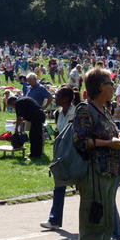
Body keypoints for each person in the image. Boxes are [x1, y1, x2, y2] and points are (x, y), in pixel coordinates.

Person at [72, 67, 120, 240]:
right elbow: (81, 141)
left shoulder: (104, 109)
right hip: (93, 173)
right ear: (98, 87)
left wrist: (119, 135)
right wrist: (108, 143)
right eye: (109, 83)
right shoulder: (85, 110)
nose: (113, 86)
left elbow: (109, 134)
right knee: (92, 223)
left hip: (109, 172)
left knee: (106, 224)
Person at [40, 87, 76, 230]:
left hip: (73, 153)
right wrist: (56, 132)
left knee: (84, 189)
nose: (55, 98)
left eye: (58, 96)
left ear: (67, 99)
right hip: (61, 152)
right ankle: (54, 219)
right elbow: (62, 130)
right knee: (59, 185)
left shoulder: (76, 112)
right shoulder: (59, 113)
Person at [7, 94, 46, 159]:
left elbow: (19, 117)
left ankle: (36, 154)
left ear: (13, 102)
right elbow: (26, 114)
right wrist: (18, 122)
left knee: (35, 136)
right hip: (38, 116)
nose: (13, 108)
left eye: (12, 106)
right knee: (33, 136)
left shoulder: (18, 104)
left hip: (37, 117)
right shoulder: (22, 100)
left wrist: (16, 128)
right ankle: (34, 153)